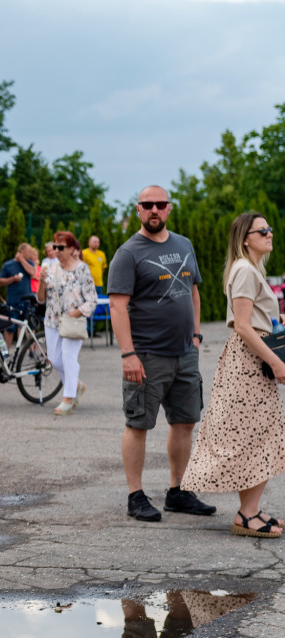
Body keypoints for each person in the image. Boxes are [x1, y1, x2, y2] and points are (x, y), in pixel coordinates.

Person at [108, 185, 216, 522]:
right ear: (138, 210)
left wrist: (196, 335)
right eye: (147, 205)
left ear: (169, 209)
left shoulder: (184, 244)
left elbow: (193, 292)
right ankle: (135, 496)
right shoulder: (128, 253)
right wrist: (128, 354)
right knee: (138, 423)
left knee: (185, 422)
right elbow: (117, 305)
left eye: (160, 204)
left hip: (185, 353)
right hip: (147, 355)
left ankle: (178, 491)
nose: (154, 209)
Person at [181, 213, 285, 538]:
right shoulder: (243, 270)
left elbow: (253, 318)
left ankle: (249, 510)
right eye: (262, 230)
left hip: (252, 360)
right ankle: (246, 513)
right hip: (250, 362)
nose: (270, 234)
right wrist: (277, 362)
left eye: (270, 229)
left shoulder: (251, 270)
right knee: (258, 434)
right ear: (245, 238)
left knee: (258, 434)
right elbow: (242, 326)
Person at [36, 232, 97, 415]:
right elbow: (40, 299)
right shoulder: (50, 267)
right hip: (52, 320)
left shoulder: (82, 269)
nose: (56, 250)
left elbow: (92, 299)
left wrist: (77, 312)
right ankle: (76, 384)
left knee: (69, 358)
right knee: (54, 359)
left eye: (60, 247)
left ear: (72, 249)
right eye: (55, 247)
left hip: (73, 320)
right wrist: (41, 282)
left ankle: (68, 398)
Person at [0, 243, 39, 346]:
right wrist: (12, 279)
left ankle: (32, 352)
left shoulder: (29, 262)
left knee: (30, 327)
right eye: (28, 252)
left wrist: (21, 260)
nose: (30, 254)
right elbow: (0, 282)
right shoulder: (8, 265)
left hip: (27, 302)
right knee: (10, 328)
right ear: (21, 252)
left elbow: (32, 272)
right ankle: (7, 353)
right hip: (13, 302)